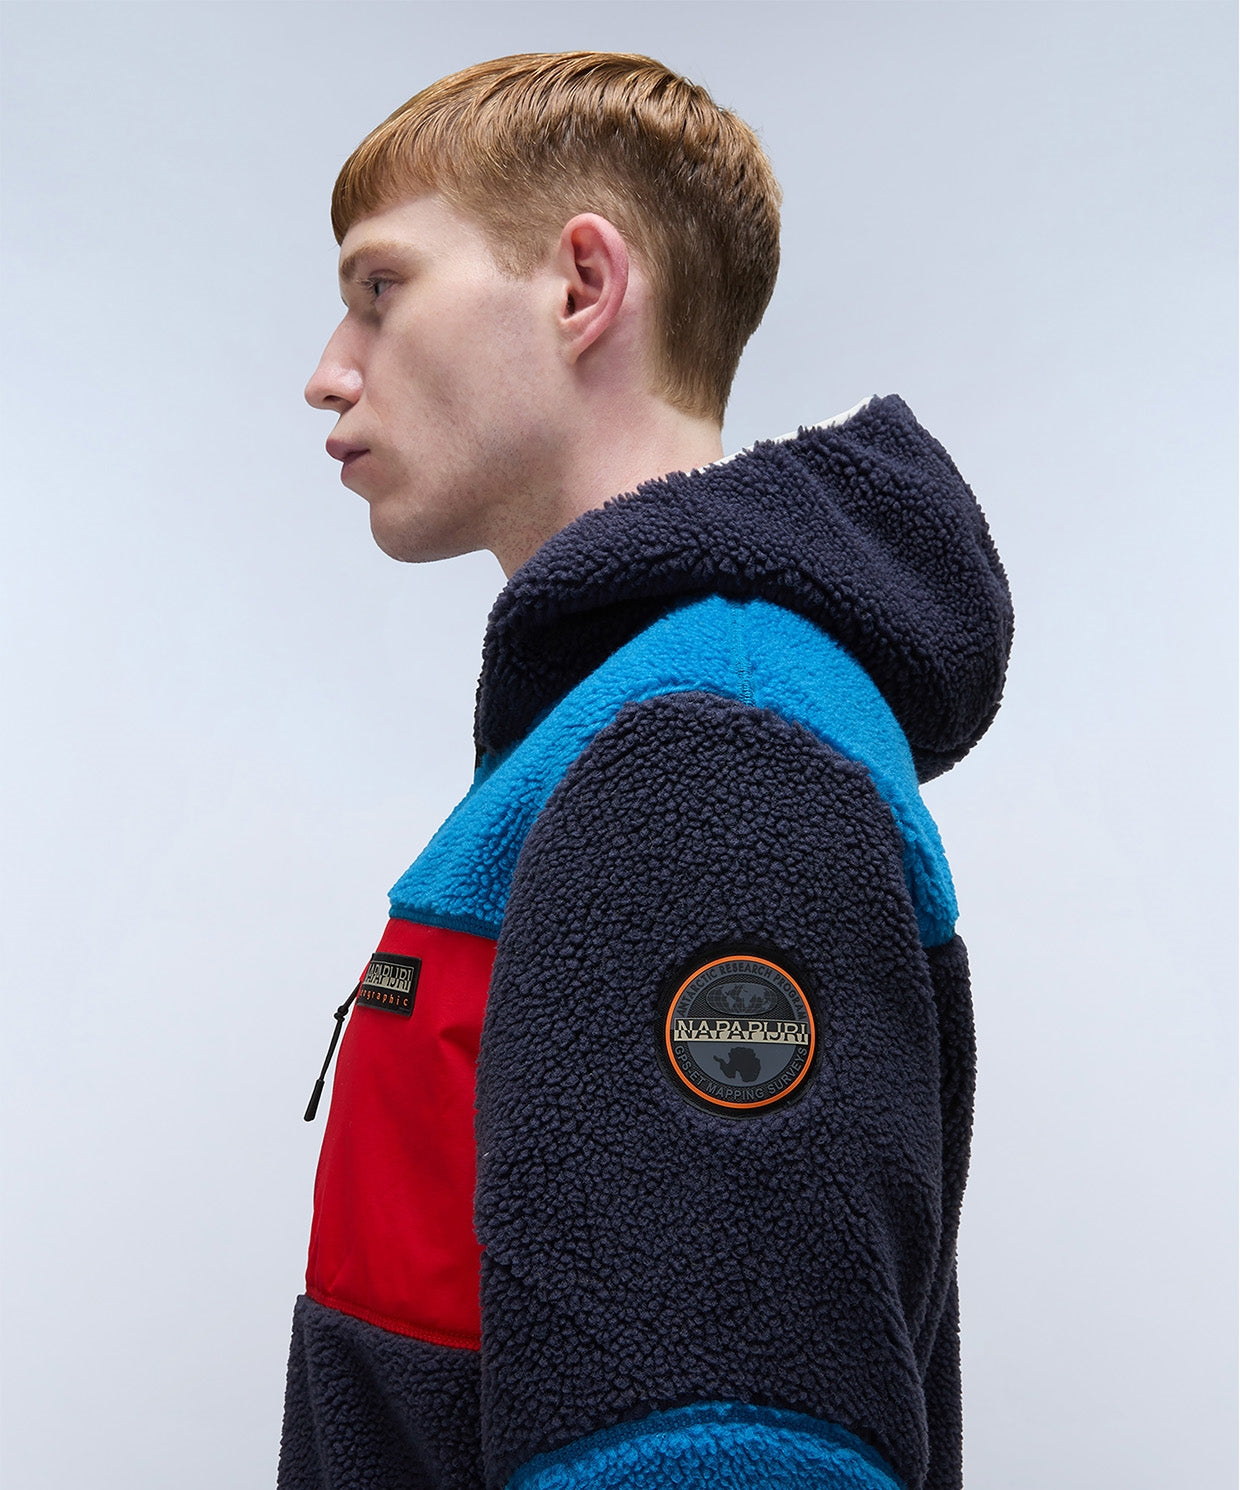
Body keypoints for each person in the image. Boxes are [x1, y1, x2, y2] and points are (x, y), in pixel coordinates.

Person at [280, 50, 1013, 1490]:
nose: (329, 369)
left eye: (381, 287)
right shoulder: (632, 729)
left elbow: (724, 1455)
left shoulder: (710, 757)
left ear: (582, 286)